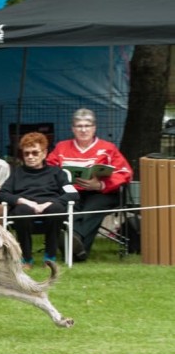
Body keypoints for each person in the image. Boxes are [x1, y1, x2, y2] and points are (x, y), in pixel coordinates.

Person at [47, 108, 132, 261]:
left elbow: (125, 172)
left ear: (94, 128)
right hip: (72, 192)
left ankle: (73, 237)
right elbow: (49, 169)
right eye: (79, 126)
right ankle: (78, 253)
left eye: (87, 126)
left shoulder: (108, 148)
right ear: (73, 128)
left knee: (91, 209)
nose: (83, 130)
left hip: (102, 192)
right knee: (67, 207)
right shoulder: (61, 147)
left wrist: (100, 185)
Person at [0, 132, 79, 270]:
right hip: (25, 207)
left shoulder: (57, 173)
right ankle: (26, 258)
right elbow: (2, 194)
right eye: (26, 153)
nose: (30, 157)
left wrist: (50, 203)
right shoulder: (17, 173)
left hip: (50, 206)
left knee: (56, 209)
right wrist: (23, 201)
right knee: (22, 211)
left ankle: (50, 258)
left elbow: (73, 194)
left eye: (35, 153)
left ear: (44, 153)